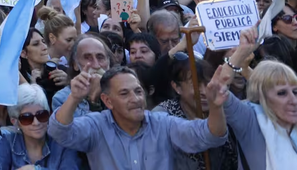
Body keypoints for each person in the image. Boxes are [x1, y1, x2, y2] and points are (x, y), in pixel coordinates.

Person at [48, 66, 230, 170]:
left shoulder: (163, 123)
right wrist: (75, 98)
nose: (135, 99)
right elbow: (59, 131)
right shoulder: (96, 125)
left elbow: (211, 135)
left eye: (138, 91)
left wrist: (215, 107)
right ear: (107, 101)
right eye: (124, 94)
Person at [0, 84, 80, 170]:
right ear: (15, 122)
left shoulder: (62, 142)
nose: (36, 122)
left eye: (41, 115)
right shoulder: (8, 141)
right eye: (27, 118)